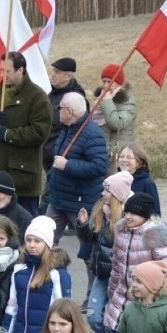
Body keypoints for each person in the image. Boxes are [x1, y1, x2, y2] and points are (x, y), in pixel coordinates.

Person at [102, 193, 167, 333]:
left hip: (142, 299)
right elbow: (117, 267)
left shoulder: (152, 235)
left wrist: (149, 283)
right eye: (127, 212)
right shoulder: (121, 232)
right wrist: (112, 292)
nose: (128, 216)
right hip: (121, 296)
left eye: (133, 213)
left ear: (145, 215)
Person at [0, 51, 53, 217]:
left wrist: (8, 134)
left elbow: (40, 132)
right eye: (1, 70)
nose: (3, 75)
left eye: (7, 71)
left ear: (21, 70)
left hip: (21, 178)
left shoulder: (37, 97)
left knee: (23, 225)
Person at [75, 171, 134, 333]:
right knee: (93, 318)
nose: (103, 194)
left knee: (115, 321)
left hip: (121, 278)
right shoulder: (101, 210)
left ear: (117, 194)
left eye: (107, 191)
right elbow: (89, 238)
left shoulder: (127, 217)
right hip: (101, 275)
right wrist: (83, 224)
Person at [47, 91, 109, 245]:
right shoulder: (67, 129)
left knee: (89, 249)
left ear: (70, 112)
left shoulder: (92, 134)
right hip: (58, 200)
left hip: (79, 203)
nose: (57, 111)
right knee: (43, 240)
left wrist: (67, 165)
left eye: (60, 108)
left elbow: (100, 166)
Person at [40, 57, 89, 214]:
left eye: (57, 72)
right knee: (58, 196)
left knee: (48, 198)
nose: (52, 75)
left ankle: (40, 229)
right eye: (53, 71)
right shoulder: (53, 94)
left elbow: (79, 128)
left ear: (68, 76)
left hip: (62, 156)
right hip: (48, 154)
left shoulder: (75, 98)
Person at [93, 63, 136, 165]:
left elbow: (117, 123)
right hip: (101, 151)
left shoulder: (127, 100)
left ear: (118, 82)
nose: (106, 85)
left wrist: (106, 102)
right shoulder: (103, 98)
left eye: (110, 81)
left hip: (118, 154)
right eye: (104, 81)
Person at [115, 142, 160, 215]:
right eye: (121, 156)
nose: (124, 160)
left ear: (139, 162)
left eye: (129, 157)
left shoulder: (147, 184)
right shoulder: (115, 180)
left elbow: (155, 214)